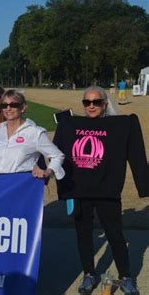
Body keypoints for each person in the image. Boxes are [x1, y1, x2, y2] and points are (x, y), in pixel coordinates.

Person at [54, 86, 147, 295]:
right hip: (79, 190)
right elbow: (54, 152)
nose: (91, 106)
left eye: (96, 102)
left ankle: (126, 277)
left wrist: (143, 184)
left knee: (115, 235)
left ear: (105, 104)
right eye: (87, 102)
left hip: (107, 190)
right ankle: (89, 273)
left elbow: (137, 153)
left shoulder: (122, 125)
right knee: (83, 236)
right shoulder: (69, 124)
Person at [0, 89, 65, 179]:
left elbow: (57, 156)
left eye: (13, 105)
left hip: (20, 185)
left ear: (23, 108)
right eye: (4, 105)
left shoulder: (35, 132)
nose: (8, 108)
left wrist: (48, 172)